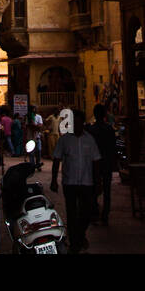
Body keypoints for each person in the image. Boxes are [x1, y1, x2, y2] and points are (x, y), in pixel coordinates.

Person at [51, 109, 101, 254]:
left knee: (86, 213)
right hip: (70, 182)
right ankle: (75, 243)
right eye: (76, 122)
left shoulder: (89, 140)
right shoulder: (65, 140)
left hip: (86, 182)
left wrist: (98, 182)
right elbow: (56, 159)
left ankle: (79, 235)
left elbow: (96, 161)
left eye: (80, 122)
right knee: (72, 213)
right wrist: (54, 179)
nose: (78, 125)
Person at [87, 104, 117, 227]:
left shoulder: (90, 130)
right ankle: (105, 215)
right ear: (104, 114)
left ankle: (95, 213)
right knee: (106, 190)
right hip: (106, 162)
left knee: (93, 189)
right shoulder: (109, 129)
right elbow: (112, 147)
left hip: (94, 163)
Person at [29, 104, 44, 169]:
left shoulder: (39, 116)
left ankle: (37, 164)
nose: (35, 110)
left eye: (36, 108)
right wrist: (36, 126)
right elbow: (31, 126)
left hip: (37, 136)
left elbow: (40, 126)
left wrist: (35, 126)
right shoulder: (29, 116)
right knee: (31, 152)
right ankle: (32, 165)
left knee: (39, 151)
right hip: (31, 136)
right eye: (34, 108)